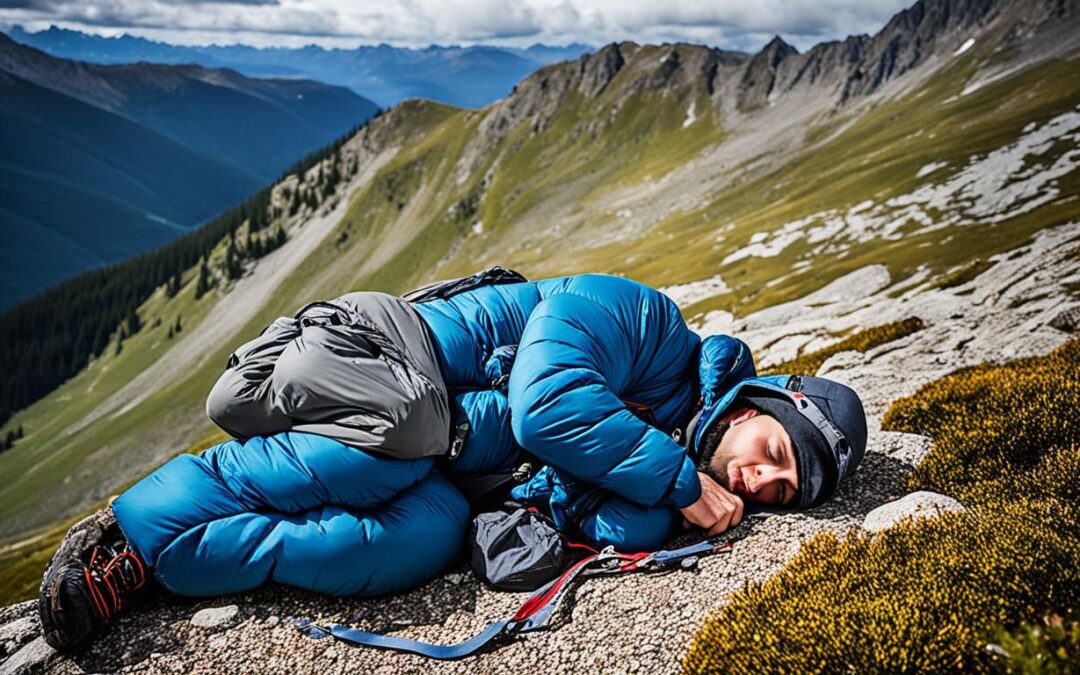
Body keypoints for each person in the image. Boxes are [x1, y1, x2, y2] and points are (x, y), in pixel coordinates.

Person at [37, 271, 867, 651]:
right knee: (392, 455)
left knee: (409, 544)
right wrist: (681, 483)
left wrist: (653, 504)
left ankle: (167, 569)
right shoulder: (646, 321)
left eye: (781, 491)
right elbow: (545, 404)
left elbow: (601, 513)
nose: (762, 480)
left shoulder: (673, 456)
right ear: (764, 400)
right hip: (393, 357)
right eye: (774, 452)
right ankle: (131, 530)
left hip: (450, 465)